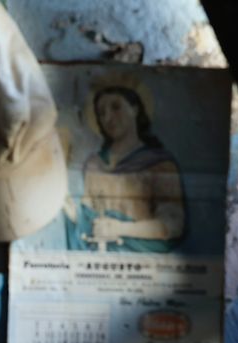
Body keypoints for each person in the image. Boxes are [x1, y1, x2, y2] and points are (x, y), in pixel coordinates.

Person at [64, 85, 184, 253]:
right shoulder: (94, 164)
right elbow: (88, 218)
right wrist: (72, 215)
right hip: (98, 254)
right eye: (101, 113)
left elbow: (173, 224)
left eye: (116, 107)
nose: (108, 118)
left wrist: (121, 228)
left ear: (135, 109)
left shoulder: (159, 163)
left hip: (141, 257)